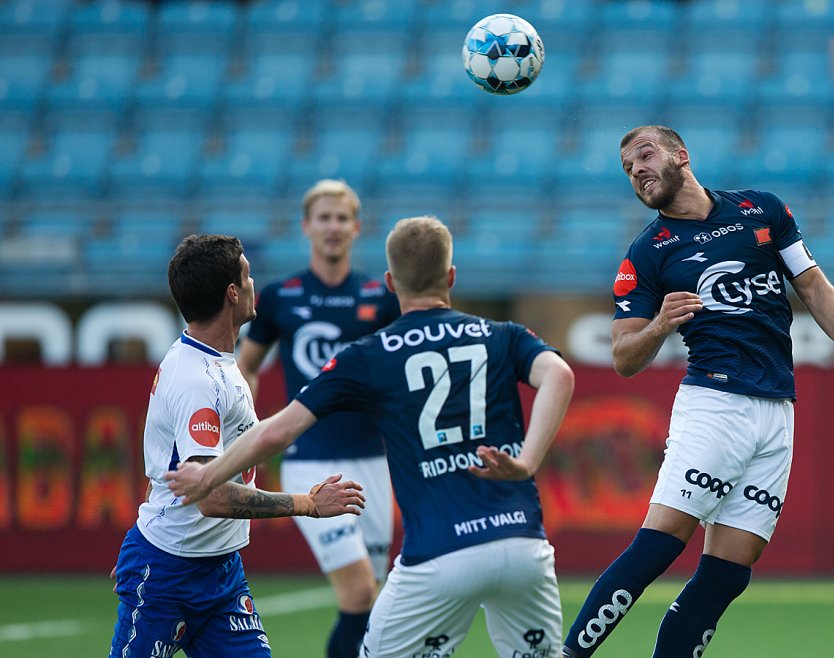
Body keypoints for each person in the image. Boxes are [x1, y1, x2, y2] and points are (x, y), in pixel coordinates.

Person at [559, 126, 834, 658]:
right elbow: (622, 358)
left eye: (644, 155)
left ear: (681, 155)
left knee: (728, 573)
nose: (636, 170)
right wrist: (659, 326)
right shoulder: (647, 253)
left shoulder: (762, 211)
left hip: (777, 411)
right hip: (715, 405)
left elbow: (812, 282)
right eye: (627, 168)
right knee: (659, 545)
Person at [167, 216, 575, 658]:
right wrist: (528, 462)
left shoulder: (370, 355)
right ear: (451, 276)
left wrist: (207, 478)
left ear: (390, 282)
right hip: (523, 545)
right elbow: (559, 374)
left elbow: (280, 430)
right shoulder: (502, 335)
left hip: (439, 555)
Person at [109, 234, 366, 658]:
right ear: (232, 293)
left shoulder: (219, 363)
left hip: (220, 570)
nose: (253, 284)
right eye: (247, 275)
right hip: (168, 574)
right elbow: (212, 497)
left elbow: (231, 450)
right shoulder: (198, 381)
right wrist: (307, 503)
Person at [237, 180, 399, 658]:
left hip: (372, 461)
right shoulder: (280, 297)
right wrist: (246, 429)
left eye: (341, 218)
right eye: (323, 218)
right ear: (306, 226)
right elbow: (246, 365)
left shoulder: (379, 295)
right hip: (310, 461)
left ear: (356, 227)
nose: (333, 227)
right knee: (356, 593)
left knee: (373, 598)